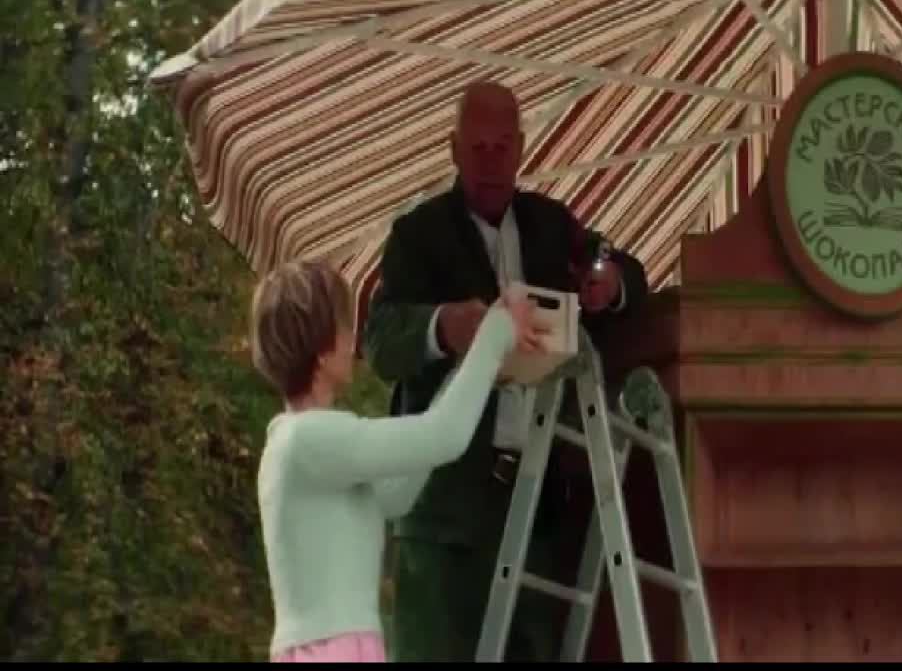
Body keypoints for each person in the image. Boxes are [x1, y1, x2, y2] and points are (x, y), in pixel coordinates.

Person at [363, 81, 650, 662]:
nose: (491, 162)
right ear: (453, 149)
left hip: (537, 507)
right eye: (478, 148)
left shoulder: (551, 226)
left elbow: (614, 263)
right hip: (443, 512)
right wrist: (443, 326)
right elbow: (379, 342)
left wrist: (607, 279)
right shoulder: (418, 235)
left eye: (501, 147)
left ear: (521, 148)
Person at [250, 260, 546, 663]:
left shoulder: (307, 446)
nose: (352, 338)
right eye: (344, 326)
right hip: (332, 650)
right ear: (321, 349)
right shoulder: (309, 439)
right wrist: (497, 333)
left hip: (340, 647)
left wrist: (468, 368)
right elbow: (444, 436)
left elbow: (398, 494)